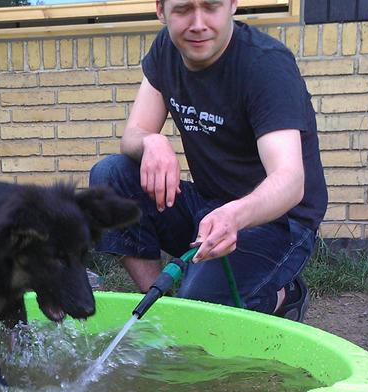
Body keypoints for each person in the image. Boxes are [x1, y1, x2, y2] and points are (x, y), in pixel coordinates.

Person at [90, 0, 327, 321]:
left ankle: (282, 295)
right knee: (111, 175)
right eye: (184, 9)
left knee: (204, 308)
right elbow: (134, 134)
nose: (198, 23)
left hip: (279, 221)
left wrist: (235, 215)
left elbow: (289, 180)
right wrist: (151, 141)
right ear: (161, 11)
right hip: (209, 206)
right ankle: (159, 313)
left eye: (211, 6)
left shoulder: (265, 65)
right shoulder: (168, 49)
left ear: (232, 5)